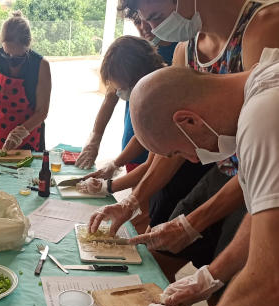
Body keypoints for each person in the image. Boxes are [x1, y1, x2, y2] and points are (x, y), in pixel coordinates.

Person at [96, 50, 279, 306]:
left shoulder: (263, 118)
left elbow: (268, 287)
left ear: (189, 120)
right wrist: (210, 276)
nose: (193, 161)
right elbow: (265, 212)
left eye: (180, 150)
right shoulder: (263, 91)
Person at [89, 0, 279, 282]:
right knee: (162, 249)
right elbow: (176, 146)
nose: (152, 30)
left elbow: (265, 155)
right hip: (223, 172)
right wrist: (132, 202)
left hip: (260, 179)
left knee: (227, 282)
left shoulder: (264, 26)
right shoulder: (185, 48)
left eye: (155, 17)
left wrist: (194, 223)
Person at [77, 34, 210, 231]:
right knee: (145, 222)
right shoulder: (153, 90)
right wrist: (115, 164)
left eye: (122, 88)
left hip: (184, 180)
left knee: (159, 231)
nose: (120, 93)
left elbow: (151, 166)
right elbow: (141, 137)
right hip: (169, 179)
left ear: (139, 79)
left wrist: (110, 187)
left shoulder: (165, 98)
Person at [75, 18, 157, 172]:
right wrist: (95, 139)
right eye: (137, 21)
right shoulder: (127, 54)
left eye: (152, 18)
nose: (143, 27)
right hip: (133, 145)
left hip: (156, 151)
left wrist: (115, 167)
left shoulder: (158, 87)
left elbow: (154, 170)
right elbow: (110, 96)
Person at [0, 11, 51, 152]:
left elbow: (42, 111)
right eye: (6, 54)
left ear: (28, 45)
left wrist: (20, 133)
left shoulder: (41, 66)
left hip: (28, 139)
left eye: (18, 57)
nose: (11, 59)